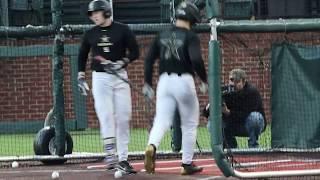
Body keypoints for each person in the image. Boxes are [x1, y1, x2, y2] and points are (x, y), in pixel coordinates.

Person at [142, 2, 207, 175]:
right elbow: (196, 59)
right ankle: (186, 164)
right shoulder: (190, 36)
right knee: (190, 124)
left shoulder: (162, 33)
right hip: (184, 80)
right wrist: (204, 80)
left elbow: (148, 60)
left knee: (161, 120)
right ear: (192, 18)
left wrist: (148, 83)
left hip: (164, 82)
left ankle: (151, 145)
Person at [77, 0, 139, 174]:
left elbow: (135, 52)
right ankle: (111, 156)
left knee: (124, 116)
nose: (93, 16)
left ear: (106, 12)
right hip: (100, 78)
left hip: (119, 77)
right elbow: (82, 55)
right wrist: (80, 76)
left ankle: (123, 159)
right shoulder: (90, 33)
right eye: (91, 14)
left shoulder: (123, 29)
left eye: (96, 12)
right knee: (105, 115)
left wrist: (121, 62)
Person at [209, 68, 266, 148]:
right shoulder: (225, 91)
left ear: (243, 81)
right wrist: (214, 105)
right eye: (232, 81)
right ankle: (231, 147)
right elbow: (206, 112)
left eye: (237, 82)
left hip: (248, 125)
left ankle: (253, 146)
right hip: (232, 125)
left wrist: (228, 112)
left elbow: (246, 114)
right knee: (211, 124)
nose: (233, 84)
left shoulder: (252, 92)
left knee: (255, 117)